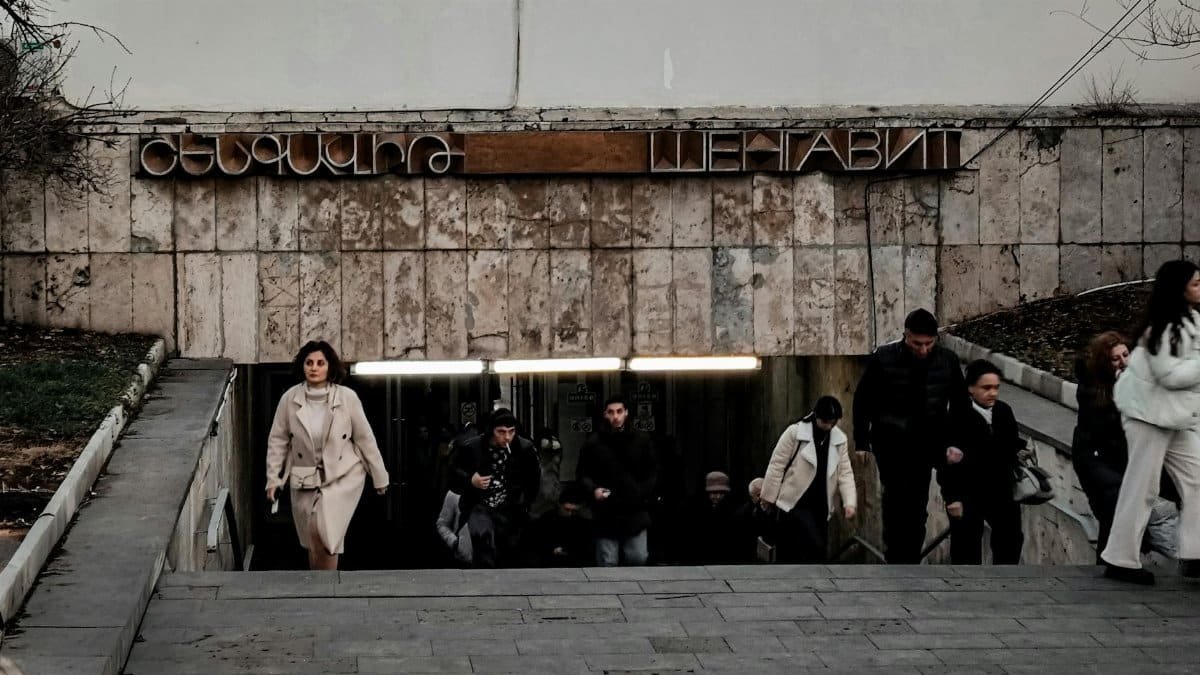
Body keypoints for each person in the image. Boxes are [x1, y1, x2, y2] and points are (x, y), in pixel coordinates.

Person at [1102, 260, 1200, 585]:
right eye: (1196, 284)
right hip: (1148, 415)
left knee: (1197, 478)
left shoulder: (1189, 319)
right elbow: (1169, 375)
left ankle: (1195, 554)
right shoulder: (1164, 326)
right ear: (1179, 290)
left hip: (1173, 415)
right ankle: (1120, 559)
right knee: (1142, 487)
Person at [853, 308, 966, 563]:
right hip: (891, 442)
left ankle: (910, 557)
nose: (923, 350)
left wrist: (956, 442)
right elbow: (863, 401)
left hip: (927, 442)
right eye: (917, 343)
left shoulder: (947, 361)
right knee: (895, 500)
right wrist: (861, 441)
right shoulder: (884, 358)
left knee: (917, 504)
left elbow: (960, 406)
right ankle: (896, 555)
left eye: (928, 344)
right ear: (906, 336)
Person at [264, 340, 389, 571]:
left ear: (329, 366)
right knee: (312, 537)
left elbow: (364, 438)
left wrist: (379, 476)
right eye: (309, 362)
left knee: (326, 533)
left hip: (341, 477)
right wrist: (273, 479)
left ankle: (325, 587)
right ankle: (320, 585)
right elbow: (278, 441)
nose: (314, 368)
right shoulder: (290, 399)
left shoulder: (347, 398)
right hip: (304, 478)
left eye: (320, 363)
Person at [938, 360, 1024, 565]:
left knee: (1010, 540)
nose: (992, 393)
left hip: (1001, 490)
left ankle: (1005, 585)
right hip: (968, 493)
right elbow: (946, 463)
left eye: (996, 388)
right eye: (986, 388)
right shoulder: (957, 416)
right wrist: (952, 498)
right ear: (970, 388)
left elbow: (1011, 446)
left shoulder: (1004, 411)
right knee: (966, 549)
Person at [760, 396, 857, 563]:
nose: (828, 426)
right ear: (816, 416)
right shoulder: (795, 433)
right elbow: (777, 465)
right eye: (825, 421)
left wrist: (849, 502)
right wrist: (768, 497)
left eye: (832, 422)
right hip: (793, 503)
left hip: (820, 505)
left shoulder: (839, 439)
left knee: (815, 552)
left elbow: (845, 472)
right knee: (793, 552)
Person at [449, 408, 541, 568]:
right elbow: (453, 472)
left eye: (511, 432)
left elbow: (533, 478)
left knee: (510, 553)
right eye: (501, 432)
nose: (507, 437)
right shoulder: (472, 447)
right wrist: (471, 479)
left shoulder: (524, 448)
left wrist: (526, 503)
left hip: (511, 509)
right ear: (492, 430)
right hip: (480, 506)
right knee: (484, 547)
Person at [576, 395, 658, 566]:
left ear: (626, 413)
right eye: (611, 412)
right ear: (605, 414)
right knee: (608, 562)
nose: (616, 416)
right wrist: (594, 490)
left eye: (619, 411)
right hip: (606, 510)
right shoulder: (593, 443)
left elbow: (652, 472)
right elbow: (583, 473)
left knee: (637, 557)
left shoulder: (641, 440)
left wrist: (641, 492)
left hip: (633, 508)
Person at [524, 482, 592, 566]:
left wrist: (567, 550)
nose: (570, 513)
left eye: (574, 511)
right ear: (560, 505)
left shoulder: (580, 523)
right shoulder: (546, 519)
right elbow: (536, 541)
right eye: (567, 509)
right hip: (547, 562)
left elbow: (583, 546)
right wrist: (551, 549)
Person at [686, 471, 743, 564]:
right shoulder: (697, 511)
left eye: (722, 493)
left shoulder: (733, 511)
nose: (718, 496)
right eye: (714, 493)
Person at [435, 490, 472, 565]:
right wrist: (455, 543)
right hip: (464, 561)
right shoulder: (454, 494)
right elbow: (442, 524)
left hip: (493, 562)